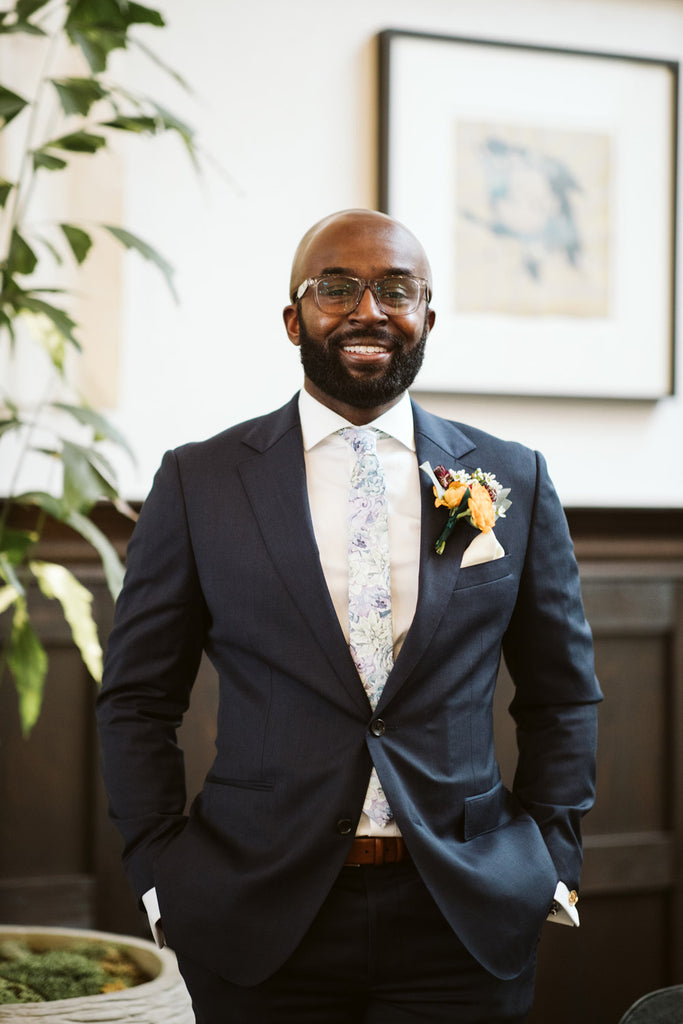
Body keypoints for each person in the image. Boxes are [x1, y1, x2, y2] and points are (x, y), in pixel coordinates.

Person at [96, 209, 602, 1023]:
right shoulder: (200, 481)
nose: (368, 311)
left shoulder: (514, 478)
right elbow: (137, 699)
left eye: (396, 290)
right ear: (294, 318)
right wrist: (163, 876)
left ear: (426, 319)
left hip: (465, 911)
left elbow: (562, 695)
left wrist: (550, 856)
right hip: (257, 910)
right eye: (337, 288)